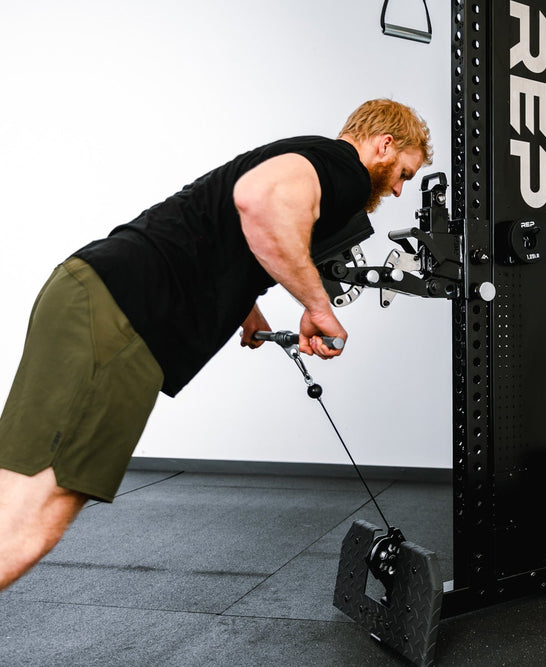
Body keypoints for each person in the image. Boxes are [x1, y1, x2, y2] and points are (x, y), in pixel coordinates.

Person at [0, 99, 432, 590]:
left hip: (89, 289)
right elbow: (258, 202)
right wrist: (317, 307)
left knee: (16, 487)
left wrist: (245, 307)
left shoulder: (304, 154)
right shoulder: (345, 171)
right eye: (404, 173)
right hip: (124, 316)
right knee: (41, 506)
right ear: (385, 143)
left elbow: (231, 226)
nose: (398, 189)